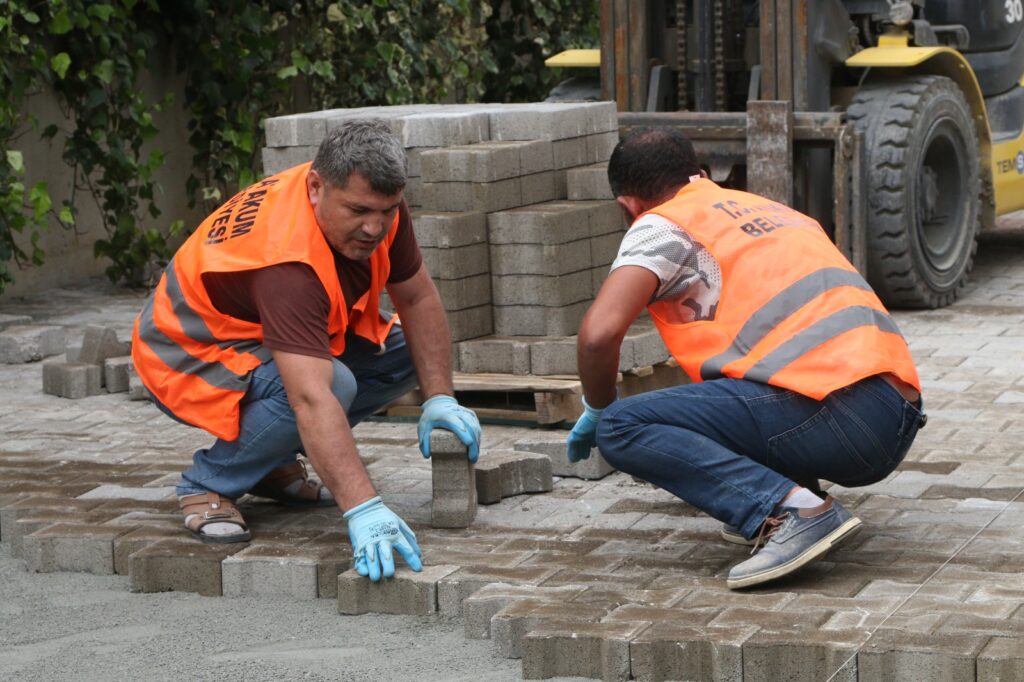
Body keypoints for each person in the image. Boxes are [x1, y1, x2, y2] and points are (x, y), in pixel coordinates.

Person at [566, 128, 926, 589]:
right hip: (893, 413)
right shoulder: (768, 210)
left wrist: (598, 409)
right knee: (723, 389)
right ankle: (798, 491)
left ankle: (797, 512)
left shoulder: (662, 224)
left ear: (628, 205)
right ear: (699, 173)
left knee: (624, 425)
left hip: (838, 416)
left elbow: (597, 336)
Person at [132, 120, 481, 582]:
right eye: (359, 210)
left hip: (260, 332)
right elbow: (311, 398)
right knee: (332, 385)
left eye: (387, 211)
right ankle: (208, 484)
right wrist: (363, 507)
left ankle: (268, 463)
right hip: (188, 352)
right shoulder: (287, 265)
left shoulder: (376, 207)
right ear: (316, 187)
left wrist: (440, 397)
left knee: (401, 354)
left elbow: (416, 298)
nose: (375, 227)